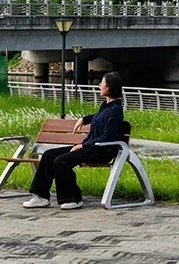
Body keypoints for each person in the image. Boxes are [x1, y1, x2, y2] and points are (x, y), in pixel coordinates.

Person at [22, 71, 125, 211]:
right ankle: (41, 197)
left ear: (110, 87)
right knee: (49, 155)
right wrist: (84, 118)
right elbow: (98, 117)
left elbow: (108, 137)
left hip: (101, 151)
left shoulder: (116, 110)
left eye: (102, 82)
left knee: (61, 161)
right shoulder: (107, 106)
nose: (100, 85)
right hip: (91, 147)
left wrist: (82, 145)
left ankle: (74, 199)